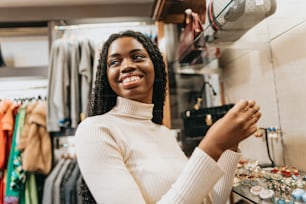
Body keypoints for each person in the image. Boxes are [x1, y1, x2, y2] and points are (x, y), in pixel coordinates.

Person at [75, 30, 261, 204]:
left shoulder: (162, 132)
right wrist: (212, 146)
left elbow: (210, 200)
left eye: (137, 57)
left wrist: (230, 146)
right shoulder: (95, 130)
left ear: (155, 65)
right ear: (106, 75)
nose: (127, 66)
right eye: (114, 62)